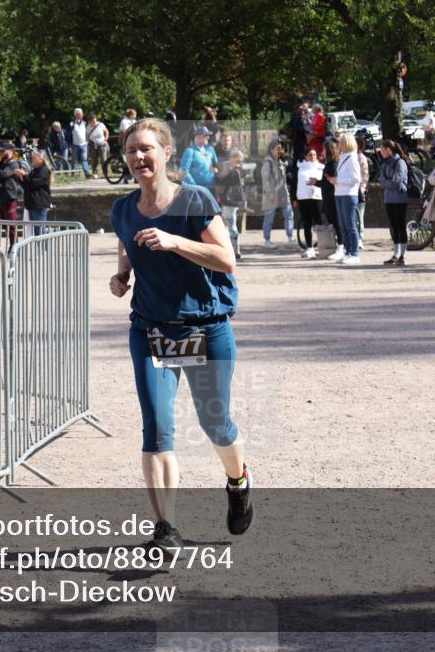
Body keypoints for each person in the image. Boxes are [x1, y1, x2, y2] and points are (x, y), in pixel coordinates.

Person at [108, 117, 251, 554]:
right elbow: (127, 242)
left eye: (146, 148)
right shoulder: (123, 209)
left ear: (167, 153)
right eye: (131, 151)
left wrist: (174, 242)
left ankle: (238, 480)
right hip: (151, 329)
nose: (138, 157)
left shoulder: (193, 199)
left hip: (205, 327)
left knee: (214, 422)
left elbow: (226, 259)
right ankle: (166, 528)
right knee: (156, 427)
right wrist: (122, 275)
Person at [259, 139, 295, 248]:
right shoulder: (267, 162)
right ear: (271, 150)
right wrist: (269, 194)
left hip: (283, 193)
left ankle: (290, 237)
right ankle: (267, 240)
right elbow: (265, 180)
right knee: (269, 217)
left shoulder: (281, 161)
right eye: (277, 149)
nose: (280, 151)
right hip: (271, 194)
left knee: (289, 215)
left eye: (281, 149)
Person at [332, 133, 362, 264]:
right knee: (343, 225)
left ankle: (354, 253)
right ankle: (348, 252)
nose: (338, 144)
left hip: (349, 194)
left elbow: (356, 179)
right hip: (339, 193)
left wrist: (338, 180)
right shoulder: (343, 157)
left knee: (350, 225)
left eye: (340, 142)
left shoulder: (352, 158)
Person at [378, 140, 409, 266]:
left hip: (399, 199)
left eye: (382, 149)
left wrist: (386, 182)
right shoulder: (385, 163)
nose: (380, 151)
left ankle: (403, 255)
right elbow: (381, 180)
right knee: (394, 227)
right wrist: (387, 182)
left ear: (389, 150)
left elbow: (397, 181)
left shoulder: (400, 162)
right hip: (388, 199)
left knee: (400, 226)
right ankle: (396, 254)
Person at [216, 149, 245, 260]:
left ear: (234, 159)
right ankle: (234, 248)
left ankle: (234, 250)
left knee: (230, 225)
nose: (229, 160)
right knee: (229, 224)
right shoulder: (241, 170)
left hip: (229, 202)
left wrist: (215, 174)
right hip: (234, 202)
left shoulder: (233, 172)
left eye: (231, 158)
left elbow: (222, 182)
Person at [295, 147, 324, 259]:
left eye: (314, 155)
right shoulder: (300, 167)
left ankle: (321, 246)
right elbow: (294, 183)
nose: (312, 157)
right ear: (305, 156)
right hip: (303, 198)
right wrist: (294, 198)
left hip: (317, 198)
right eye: (310, 155)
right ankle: (309, 247)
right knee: (306, 224)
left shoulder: (321, 168)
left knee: (319, 222)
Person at [16, 149, 51, 237]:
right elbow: (27, 185)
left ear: (41, 159)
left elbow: (33, 183)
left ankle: (46, 246)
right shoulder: (35, 170)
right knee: (36, 231)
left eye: (34, 157)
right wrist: (21, 177)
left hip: (39, 204)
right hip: (32, 204)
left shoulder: (43, 170)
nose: (32, 159)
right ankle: (42, 246)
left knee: (40, 231)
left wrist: (24, 175)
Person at [320, 139, 344, 261]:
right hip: (327, 198)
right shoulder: (328, 164)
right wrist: (316, 182)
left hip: (333, 198)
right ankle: (336, 245)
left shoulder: (333, 164)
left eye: (324, 150)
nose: (322, 152)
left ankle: (341, 247)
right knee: (333, 222)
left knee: (337, 222)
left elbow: (333, 181)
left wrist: (325, 181)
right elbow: (326, 182)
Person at [179, 126, 218, 192]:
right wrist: (194, 186)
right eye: (206, 135)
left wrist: (215, 169)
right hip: (197, 190)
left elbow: (216, 164)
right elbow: (184, 171)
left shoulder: (210, 149)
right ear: (198, 137)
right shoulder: (190, 151)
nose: (208, 137)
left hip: (211, 188)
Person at [356, 131, 370, 240]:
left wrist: (362, 188)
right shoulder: (354, 157)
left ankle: (360, 236)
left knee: (359, 214)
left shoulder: (360, 157)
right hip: (355, 189)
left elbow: (365, 175)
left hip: (359, 189)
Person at [87, 114, 110, 179]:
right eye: (92, 121)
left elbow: (106, 132)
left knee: (103, 159)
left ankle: (105, 172)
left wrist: (105, 140)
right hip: (93, 145)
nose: (94, 122)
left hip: (102, 144)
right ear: (90, 121)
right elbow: (87, 136)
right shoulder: (88, 127)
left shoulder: (101, 125)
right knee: (94, 160)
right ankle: (95, 173)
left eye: (95, 121)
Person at [68, 108, 89, 177]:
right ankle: (73, 173)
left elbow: (87, 132)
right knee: (74, 160)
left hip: (84, 144)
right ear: (75, 115)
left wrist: (87, 140)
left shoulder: (85, 123)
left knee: (84, 159)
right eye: (78, 114)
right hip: (75, 145)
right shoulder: (72, 124)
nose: (80, 115)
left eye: (81, 114)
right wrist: (70, 144)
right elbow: (69, 134)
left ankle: (87, 173)